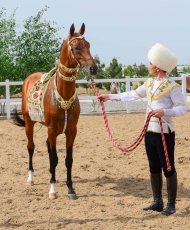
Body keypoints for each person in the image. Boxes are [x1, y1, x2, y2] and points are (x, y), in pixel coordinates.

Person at [98, 43, 187, 216]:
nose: (148, 66)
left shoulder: (173, 87)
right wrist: (109, 97)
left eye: (151, 63)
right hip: (149, 132)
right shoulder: (149, 84)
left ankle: (171, 204)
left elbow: (182, 108)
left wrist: (165, 112)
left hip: (164, 132)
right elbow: (131, 95)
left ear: (158, 67)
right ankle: (157, 201)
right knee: (153, 166)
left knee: (168, 167)